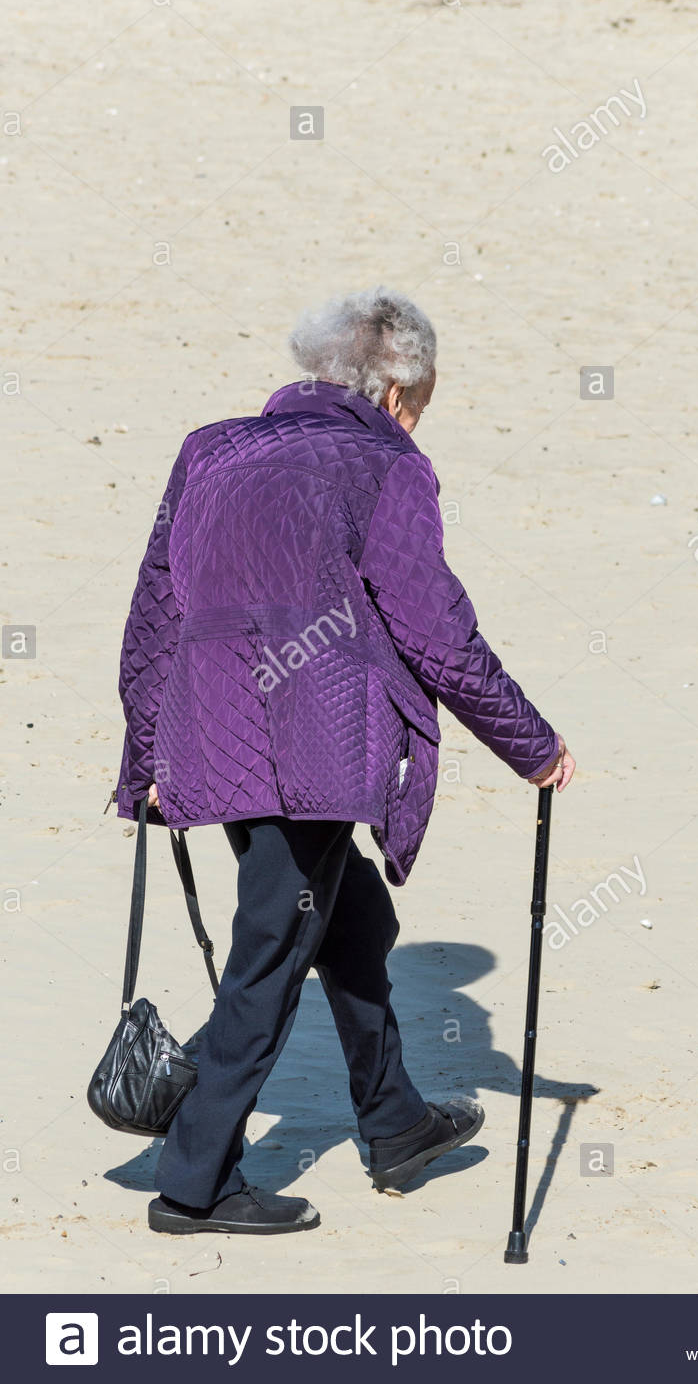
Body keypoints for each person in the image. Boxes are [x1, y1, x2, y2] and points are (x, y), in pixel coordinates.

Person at [115, 286, 575, 1236]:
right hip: (315, 741)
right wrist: (533, 745)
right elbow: (437, 632)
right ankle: (192, 1182)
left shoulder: (212, 447)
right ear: (397, 392)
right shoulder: (384, 463)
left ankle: (395, 1118)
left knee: (349, 915)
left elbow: (155, 610)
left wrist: (148, 752)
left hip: (212, 731)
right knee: (272, 950)